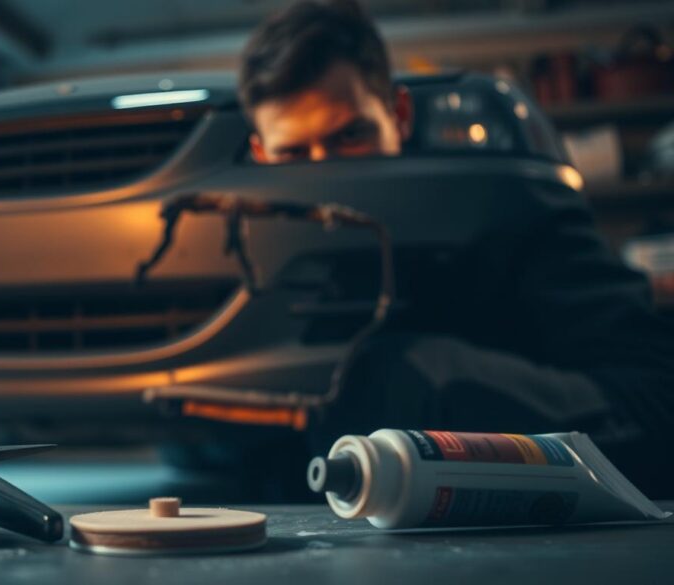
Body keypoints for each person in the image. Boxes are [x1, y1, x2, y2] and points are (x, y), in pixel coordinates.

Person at [238, 0, 674, 496]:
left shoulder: (501, 206)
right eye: (293, 153)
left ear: (399, 115)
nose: (325, 172)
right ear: (259, 156)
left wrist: (407, 381)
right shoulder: (248, 263)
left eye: (351, 136)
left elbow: (653, 396)